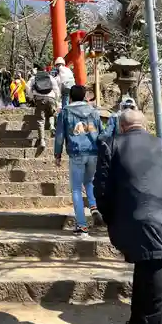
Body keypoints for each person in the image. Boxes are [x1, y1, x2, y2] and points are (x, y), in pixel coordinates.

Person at [94, 109, 162, 324]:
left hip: (138, 224)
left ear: (121, 126)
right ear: (145, 126)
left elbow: (101, 189)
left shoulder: (110, 145)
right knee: (146, 266)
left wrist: (110, 218)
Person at [54, 85, 104, 237]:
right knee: (90, 181)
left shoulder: (65, 112)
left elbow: (60, 135)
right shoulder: (94, 112)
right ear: (84, 97)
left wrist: (57, 154)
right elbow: (101, 132)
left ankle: (82, 225)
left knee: (76, 189)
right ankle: (94, 206)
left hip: (76, 153)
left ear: (70, 97)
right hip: (94, 152)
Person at [26, 64, 60, 148]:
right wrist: (56, 99)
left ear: (37, 70)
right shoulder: (50, 77)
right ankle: (52, 126)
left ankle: (42, 140)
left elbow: (27, 86)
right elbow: (56, 89)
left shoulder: (34, 77)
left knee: (40, 120)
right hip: (51, 97)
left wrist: (31, 96)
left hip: (39, 98)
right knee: (51, 113)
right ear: (45, 70)